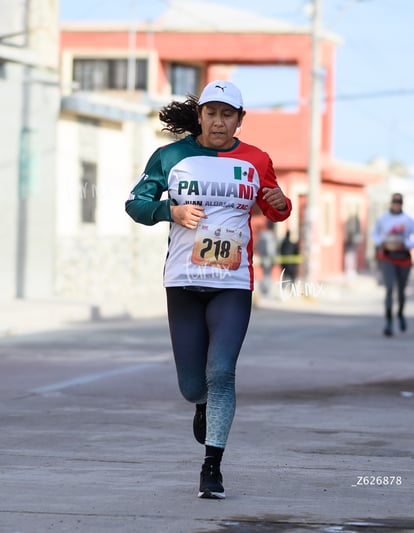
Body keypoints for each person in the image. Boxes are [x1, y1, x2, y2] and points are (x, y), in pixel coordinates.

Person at [125, 80, 292, 499]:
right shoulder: (171, 157)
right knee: (191, 385)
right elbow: (135, 202)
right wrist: (170, 209)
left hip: (232, 284)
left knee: (222, 373)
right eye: (211, 113)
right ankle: (201, 405)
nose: (219, 121)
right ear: (200, 115)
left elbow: (276, 209)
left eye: (227, 114)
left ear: (239, 120)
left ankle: (212, 466)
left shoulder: (256, 159)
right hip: (182, 281)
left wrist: (280, 200)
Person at [372, 193, 414, 336]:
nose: (396, 204)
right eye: (394, 202)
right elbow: (375, 234)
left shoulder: (408, 220)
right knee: (389, 288)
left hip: (403, 258)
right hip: (387, 257)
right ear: (391, 203)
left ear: (401, 204)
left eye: (399, 202)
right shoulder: (383, 219)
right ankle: (389, 322)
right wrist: (381, 243)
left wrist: (406, 243)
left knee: (401, 291)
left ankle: (400, 313)